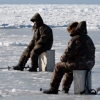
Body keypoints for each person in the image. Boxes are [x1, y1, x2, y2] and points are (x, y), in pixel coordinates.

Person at [43, 21, 95, 94]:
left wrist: (62, 59)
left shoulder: (76, 39)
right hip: (89, 64)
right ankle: (65, 88)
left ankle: (53, 88)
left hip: (80, 64)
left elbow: (67, 54)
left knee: (58, 66)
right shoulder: (88, 38)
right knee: (70, 66)